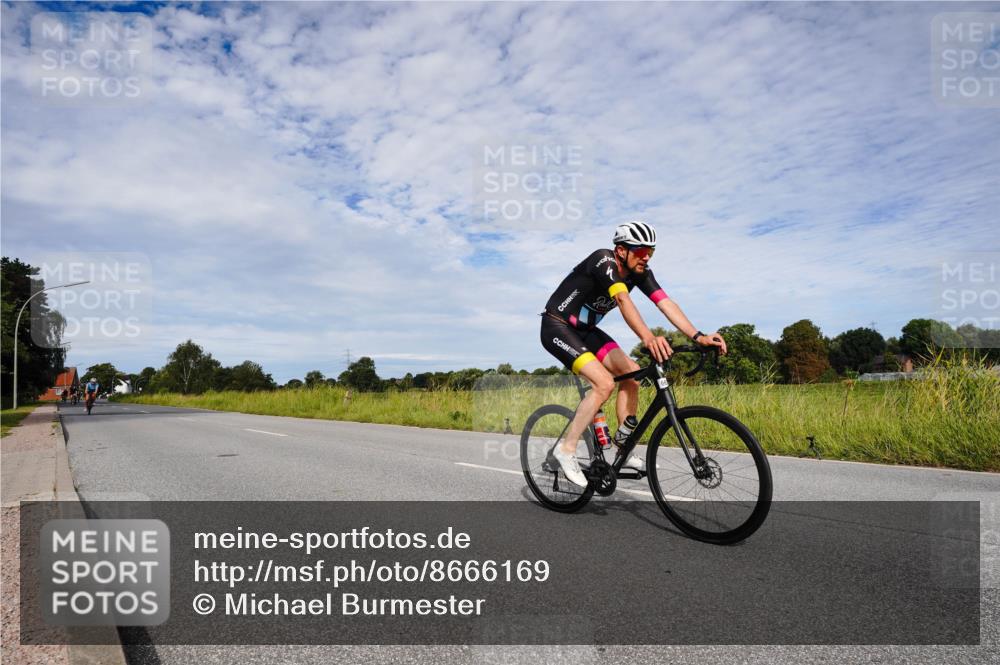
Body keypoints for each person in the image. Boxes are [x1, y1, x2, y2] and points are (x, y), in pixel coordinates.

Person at [540, 221, 727, 486]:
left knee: (631, 374)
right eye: (640, 251)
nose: (646, 257)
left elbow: (666, 303)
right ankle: (566, 450)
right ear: (621, 251)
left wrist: (698, 336)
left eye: (651, 251)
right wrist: (648, 338)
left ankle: (622, 448)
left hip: (587, 331)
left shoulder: (640, 272)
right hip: (557, 326)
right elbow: (622, 300)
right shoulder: (602, 260)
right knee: (603, 384)